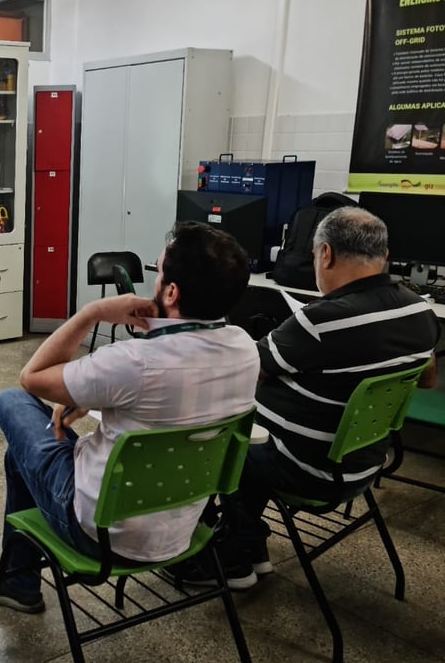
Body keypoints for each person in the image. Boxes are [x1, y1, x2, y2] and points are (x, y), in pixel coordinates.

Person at [0, 222, 261, 613]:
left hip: (101, 532)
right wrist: (95, 397)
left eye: (159, 269)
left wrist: (94, 312)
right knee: (20, 456)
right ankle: (17, 579)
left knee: (11, 401)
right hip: (181, 531)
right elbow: (169, 401)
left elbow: (31, 378)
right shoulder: (244, 348)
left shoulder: (133, 361)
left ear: (171, 292)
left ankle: (19, 580)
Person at [180, 207, 440, 588]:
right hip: (364, 462)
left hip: (307, 469)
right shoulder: (420, 310)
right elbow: (427, 378)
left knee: (217, 444)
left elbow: (246, 370)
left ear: (326, 254)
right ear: (383, 256)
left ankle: (230, 556)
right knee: (250, 444)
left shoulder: (321, 321)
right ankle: (246, 547)